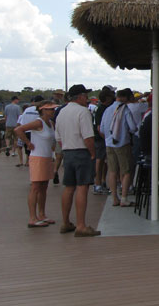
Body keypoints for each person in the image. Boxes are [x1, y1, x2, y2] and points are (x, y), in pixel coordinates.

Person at [54, 84, 100, 237]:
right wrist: (93, 154)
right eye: (85, 96)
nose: (87, 99)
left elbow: (58, 138)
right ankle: (81, 225)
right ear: (80, 97)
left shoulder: (61, 112)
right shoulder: (83, 111)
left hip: (68, 152)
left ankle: (66, 222)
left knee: (69, 187)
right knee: (82, 187)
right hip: (81, 152)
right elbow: (88, 137)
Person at [15, 100, 59, 228]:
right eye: (50, 109)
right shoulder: (38, 122)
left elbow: (52, 138)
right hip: (37, 157)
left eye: (53, 109)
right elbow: (19, 129)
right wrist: (28, 143)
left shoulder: (50, 123)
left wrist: (53, 145)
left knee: (44, 187)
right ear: (42, 109)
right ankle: (32, 217)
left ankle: (42, 214)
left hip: (46, 157)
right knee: (35, 187)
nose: (53, 111)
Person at [100, 88, 139, 207]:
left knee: (112, 171)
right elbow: (132, 127)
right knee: (126, 171)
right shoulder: (124, 109)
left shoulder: (107, 110)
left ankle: (114, 198)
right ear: (126, 98)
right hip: (122, 143)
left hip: (109, 143)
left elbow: (101, 129)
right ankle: (124, 197)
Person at [92, 87, 115, 195]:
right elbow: (99, 127)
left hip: (103, 138)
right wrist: (106, 139)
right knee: (100, 160)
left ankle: (102, 181)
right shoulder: (101, 109)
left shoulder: (104, 108)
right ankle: (97, 183)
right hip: (100, 139)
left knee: (104, 161)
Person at [4, 96, 21, 161]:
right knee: (15, 138)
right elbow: (18, 116)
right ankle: (13, 152)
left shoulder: (6, 107)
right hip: (15, 124)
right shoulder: (17, 107)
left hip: (8, 124)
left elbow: (5, 116)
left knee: (7, 137)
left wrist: (6, 123)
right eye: (18, 100)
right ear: (15, 100)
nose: (18, 101)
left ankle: (7, 146)